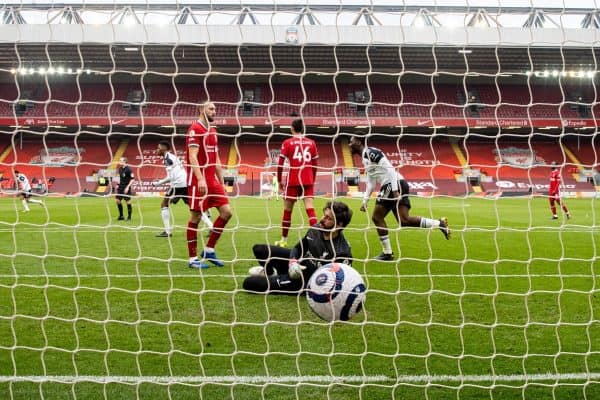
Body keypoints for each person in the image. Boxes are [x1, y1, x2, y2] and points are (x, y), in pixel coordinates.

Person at [349, 135, 450, 261]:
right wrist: (365, 201)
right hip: (399, 183)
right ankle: (439, 223)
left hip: (392, 184)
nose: (349, 145)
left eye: (351, 142)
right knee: (404, 220)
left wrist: (395, 190)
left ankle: (387, 253)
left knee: (377, 217)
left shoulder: (371, 152)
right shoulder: (365, 160)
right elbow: (371, 182)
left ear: (358, 142)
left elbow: (390, 169)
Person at [243, 201, 353, 295]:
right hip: (298, 265)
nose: (322, 219)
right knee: (259, 249)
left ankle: (279, 278)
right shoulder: (316, 229)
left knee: (249, 283)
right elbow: (298, 248)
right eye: (324, 215)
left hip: (304, 281)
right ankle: (272, 274)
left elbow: (336, 284)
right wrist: (293, 262)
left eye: (328, 218)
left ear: (339, 225)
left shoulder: (342, 253)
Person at [186, 101, 232, 269]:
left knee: (227, 212)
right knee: (196, 217)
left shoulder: (212, 130)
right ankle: (192, 259)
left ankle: (209, 249)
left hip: (212, 180)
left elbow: (217, 158)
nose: (214, 112)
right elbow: (192, 157)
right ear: (201, 109)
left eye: (215, 109)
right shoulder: (194, 129)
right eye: (211, 109)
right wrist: (200, 179)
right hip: (198, 180)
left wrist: (222, 181)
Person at [152, 140, 213, 237]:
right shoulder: (171, 157)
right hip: (184, 183)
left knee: (164, 204)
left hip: (178, 185)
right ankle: (211, 227)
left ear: (164, 148)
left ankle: (167, 232)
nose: (157, 150)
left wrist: (158, 183)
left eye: (158, 148)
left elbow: (171, 177)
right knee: (194, 209)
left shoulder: (168, 159)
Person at [275, 118, 319, 247]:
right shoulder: (311, 143)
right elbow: (315, 164)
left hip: (293, 179)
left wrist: (279, 180)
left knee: (288, 210)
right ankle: (317, 240)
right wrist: (312, 179)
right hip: (308, 179)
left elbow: (280, 164)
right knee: (310, 209)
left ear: (292, 128)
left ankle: (283, 240)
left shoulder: (287, 142)